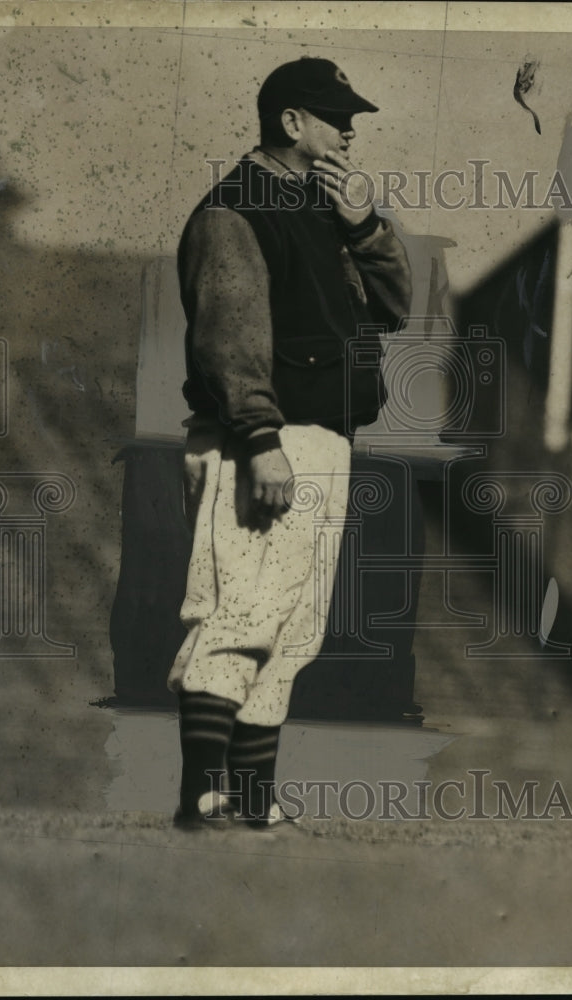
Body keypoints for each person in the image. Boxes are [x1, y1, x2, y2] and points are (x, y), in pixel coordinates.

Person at [167, 56, 412, 828]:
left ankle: (252, 800)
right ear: (291, 124)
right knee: (239, 613)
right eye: (336, 117)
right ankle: (202, 792)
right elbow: (228, 339)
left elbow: (396, 306)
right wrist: (259, 436)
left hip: (322, 437)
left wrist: (365, 227)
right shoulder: (235, 208)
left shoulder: (320, 209)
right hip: (262, 438)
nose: (349, 130)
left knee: (293, 626)